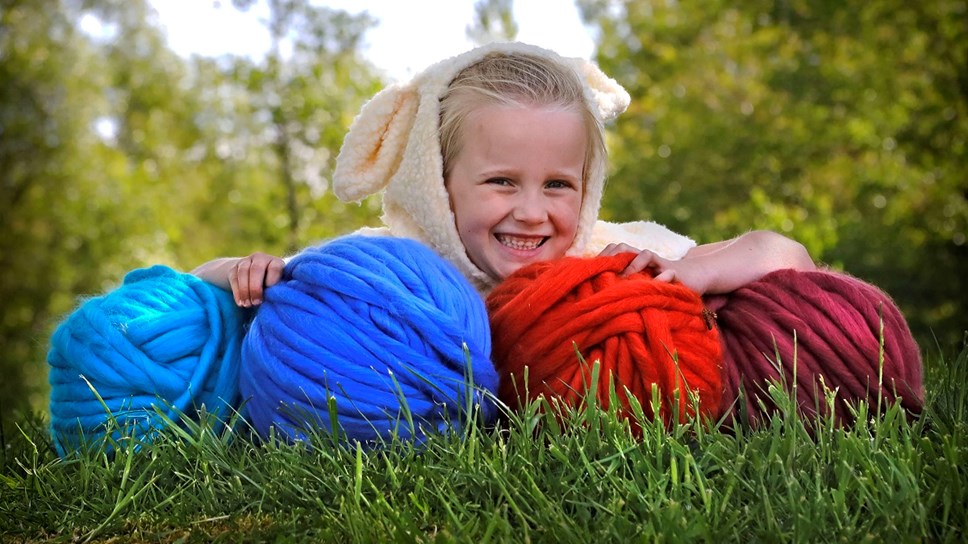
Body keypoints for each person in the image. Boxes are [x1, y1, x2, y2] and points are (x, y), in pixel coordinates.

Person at [192, 42, 815, 307]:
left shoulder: (611, 260)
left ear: (588, 186)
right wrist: (251, 272)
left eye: (558, 185)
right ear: (436, 186)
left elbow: (787, 255)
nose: (532, 211)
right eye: (500, 182)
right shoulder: (397, 266)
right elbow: (200, 281)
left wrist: (692, 273)